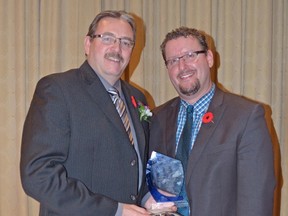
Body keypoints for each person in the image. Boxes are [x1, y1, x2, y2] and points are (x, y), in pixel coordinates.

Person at [20, 10, 151, 216]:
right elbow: (38, 176)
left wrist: (147, 198)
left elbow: (133, 164)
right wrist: (114, 210)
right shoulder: (58, 89)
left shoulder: (138, 98)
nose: (117, 48)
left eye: (126, 42)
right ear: (88, 44)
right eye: (108, 38)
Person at [148, 27, 275, 216]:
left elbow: (255, 202)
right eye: (173, 61)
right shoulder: (157, 118)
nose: (182, 67)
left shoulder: (246, 117)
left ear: (209, 58)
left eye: (190, 55)